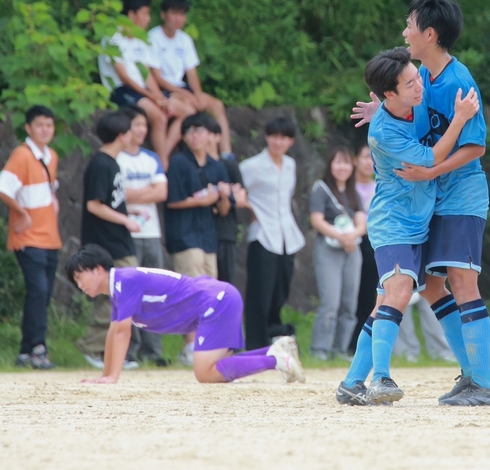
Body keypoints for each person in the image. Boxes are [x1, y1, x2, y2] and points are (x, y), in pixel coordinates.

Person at [352, 0, 490, 406]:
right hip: (436, 198)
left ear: (429, 34)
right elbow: (412, 108)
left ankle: (483, 384)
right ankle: (470, 375)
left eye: (410, 25)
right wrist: (382, 107)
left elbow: (476, 147)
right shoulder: (425, 79)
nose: (404, 32)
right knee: (433, 288)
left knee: (463, 283)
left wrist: (431, 172)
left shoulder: (458, 79)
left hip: (461, 195)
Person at [337, 46, 478, 406]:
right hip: (394, 223)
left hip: (421, 220)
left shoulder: (407, 101)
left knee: (409, 295)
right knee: (399, 291)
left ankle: (353, 381)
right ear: (390, 93)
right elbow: (432, 157)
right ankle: (380, 379)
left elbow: (420, 107)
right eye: (411, 83)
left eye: (418, 77)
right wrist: (460, 119)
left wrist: (380, 109)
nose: (420, 86)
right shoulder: (383, 134)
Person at [65, 244, 304, 384]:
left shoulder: (124, 281)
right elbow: (113, 332)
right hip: (217, 299)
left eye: (79, 276)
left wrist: (112, 379)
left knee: (205, 372)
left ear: (98, 270)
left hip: (216, 301)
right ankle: (275, 350)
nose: (79, 284)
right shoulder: (119, 288)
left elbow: (121, 333)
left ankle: (276, 360)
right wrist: (106, 376)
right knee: (212, 368)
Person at [75, 111, 142, 369]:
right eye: (131, 130)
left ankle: (108, 352)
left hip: (115, 239)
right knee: (124, 294)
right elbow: (94, 205)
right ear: (121, 135)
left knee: (119, 296)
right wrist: (125, 221)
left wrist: (129, 212)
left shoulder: (112, 163)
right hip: (108, 243)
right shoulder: (102, 164)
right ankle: (93, 346)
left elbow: (110, 202)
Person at [165, 113, 232, 365]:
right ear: (183, 136)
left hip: (207, 236)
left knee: (209, 292)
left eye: (200, 130)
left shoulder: (217, 167)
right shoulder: (179, 162)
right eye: (190, 131)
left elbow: (223, 210)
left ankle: (206, 345)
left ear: (210, 135)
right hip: (184, 235)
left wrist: (224, 197)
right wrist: (203, 200)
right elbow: (172, 200)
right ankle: (188, 346)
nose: (195, 135)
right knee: (190, 291)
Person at [99, 0, 195, 166]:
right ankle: (163, 165)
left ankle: (162, 156)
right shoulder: (112, 39)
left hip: (142, 90)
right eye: (145, 14)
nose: (148, 19)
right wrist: (153, 98)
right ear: (131, 15)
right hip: (122, 90)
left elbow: (147, 75)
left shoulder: (140, 40)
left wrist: (161, 98)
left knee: (187, 111)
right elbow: (125, 77)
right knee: (159, 117)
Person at [0, 105, 62, 369]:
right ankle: (38, 348)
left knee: (43, 295)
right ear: (28, 128)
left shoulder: (51, 156)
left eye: (49, 125)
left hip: (50, 237)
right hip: (28, 238)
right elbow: (3, 188)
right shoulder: (22, 155)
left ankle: (27, 350)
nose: (45, 129)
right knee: (38, 292)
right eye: (40, 125)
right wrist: (21, 213)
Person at [239, 117, 306, 350]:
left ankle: (275, 338)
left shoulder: (290, 165)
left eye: (284, 137)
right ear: (267, 137)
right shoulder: (251, 166)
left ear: (291, 141)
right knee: (260, 293)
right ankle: (255, 346)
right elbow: (238, 193)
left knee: (281, 290)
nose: (278, 142)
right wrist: (250, 209)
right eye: (274, 136)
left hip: (287, 236)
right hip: (263, 235)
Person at [116, 105, 169, 366]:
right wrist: (148, 191)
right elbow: (117, 195)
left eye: (144, 125)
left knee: (155, 292)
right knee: (130, 294)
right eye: (136, 125)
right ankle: (129, 350)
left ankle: (153, 350)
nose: (141, 130)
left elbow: (162, 193)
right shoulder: (116, 159)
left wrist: (134, 193)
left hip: (152, 233)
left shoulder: (151, 158)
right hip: (128, 233)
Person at [148, 0, 232, 156]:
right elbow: (157, 77)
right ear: (163, 15)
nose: (178, 19)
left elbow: (191, 73)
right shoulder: (154, 38)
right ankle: (165, 156)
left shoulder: (185, 39)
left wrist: (198, 94)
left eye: (182, 14)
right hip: (163, 88)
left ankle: (227, 154)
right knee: (190, 109)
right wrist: (185, 93)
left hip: (181, 86)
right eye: (174, 13)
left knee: (216, 105)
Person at [309, 145, 366, 360]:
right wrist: (341, 236)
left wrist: (353, 235)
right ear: (330, 165)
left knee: (349, 303)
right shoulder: (321, 189)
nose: (342, 167)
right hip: (328, 249)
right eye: (337, 162)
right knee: (330, 302)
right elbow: (317, 220)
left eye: (345, 162)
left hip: (352, 250)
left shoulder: (353, 192)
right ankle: (319, 349)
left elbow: (361, 222)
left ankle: (340, 349)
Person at [205, 118, 244, 284]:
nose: (204, 138)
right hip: (203, 233)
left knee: (225, 284)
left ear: (218, 137)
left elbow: (241, 198)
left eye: (209, 133)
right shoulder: (194, 166)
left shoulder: (229, 166)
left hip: (225, 232)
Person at [351, 144, 378, 347]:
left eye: (373, 157)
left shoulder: (380, 186)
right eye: (365, 157)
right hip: (350, 242)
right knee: (350, 293)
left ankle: (361, 342)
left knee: (369, 294)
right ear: (355, 160)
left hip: (373, 242)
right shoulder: (347, 187)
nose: (369, 162)